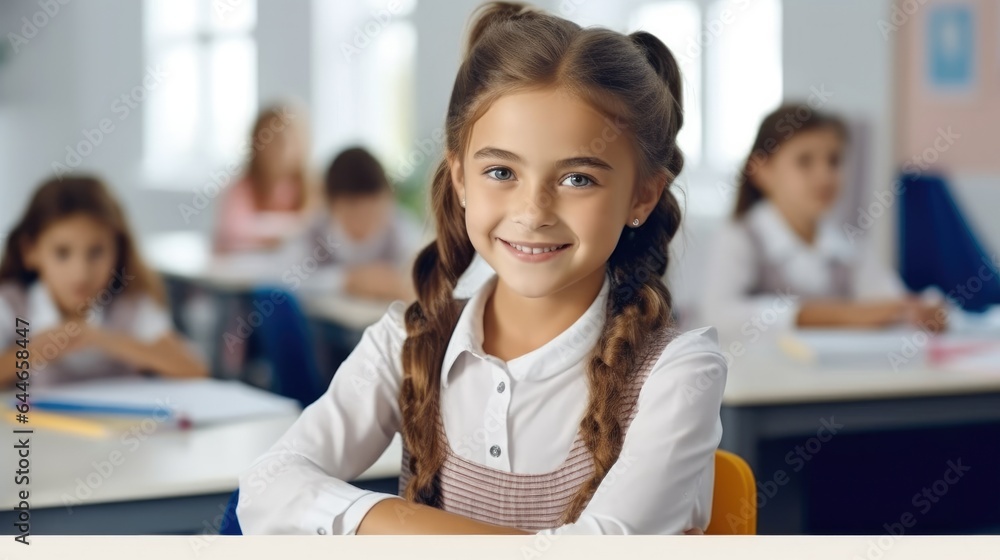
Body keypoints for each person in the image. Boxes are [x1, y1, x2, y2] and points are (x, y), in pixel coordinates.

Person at [238, 2, 726, 535]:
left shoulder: (677, 374)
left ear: (643, 195)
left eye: (578, 178)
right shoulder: (404, 342)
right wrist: (395, 516)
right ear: (461, 179)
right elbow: (265, 489)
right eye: (500, 171)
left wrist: (378, 523)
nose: (533, 212)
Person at [698, 104, 947, 342]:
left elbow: (889, 301)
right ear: (762, 170)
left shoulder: (848, 242)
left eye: (834, 161)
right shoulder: (741, 237)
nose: (825, 175)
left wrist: (917, 311)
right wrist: (832, 315)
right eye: (805, 161)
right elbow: (721, 316)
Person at [0, 176, 208, 387]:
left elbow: (194, 368)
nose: (81, 273)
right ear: (30, 251)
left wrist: (101, 339)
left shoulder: (130, 305)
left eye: (96, 252)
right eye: (62, 253)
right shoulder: (12, 304)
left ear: (118, 250)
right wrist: (36, 350)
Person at [281, 146, 420, 301]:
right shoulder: (314, 232)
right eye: (355, 212)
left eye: (374, 211)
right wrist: (347, 280)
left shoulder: (400, 229)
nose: (366, 221)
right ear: (331, 206)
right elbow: (285, 278)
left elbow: (422, 278)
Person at [214, 105, 313, 253]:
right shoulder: (241, 188)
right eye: (267, 139)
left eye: (282, 141)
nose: (275, 149)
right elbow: (232, 232)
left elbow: (319, 232)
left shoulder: (313, 189)